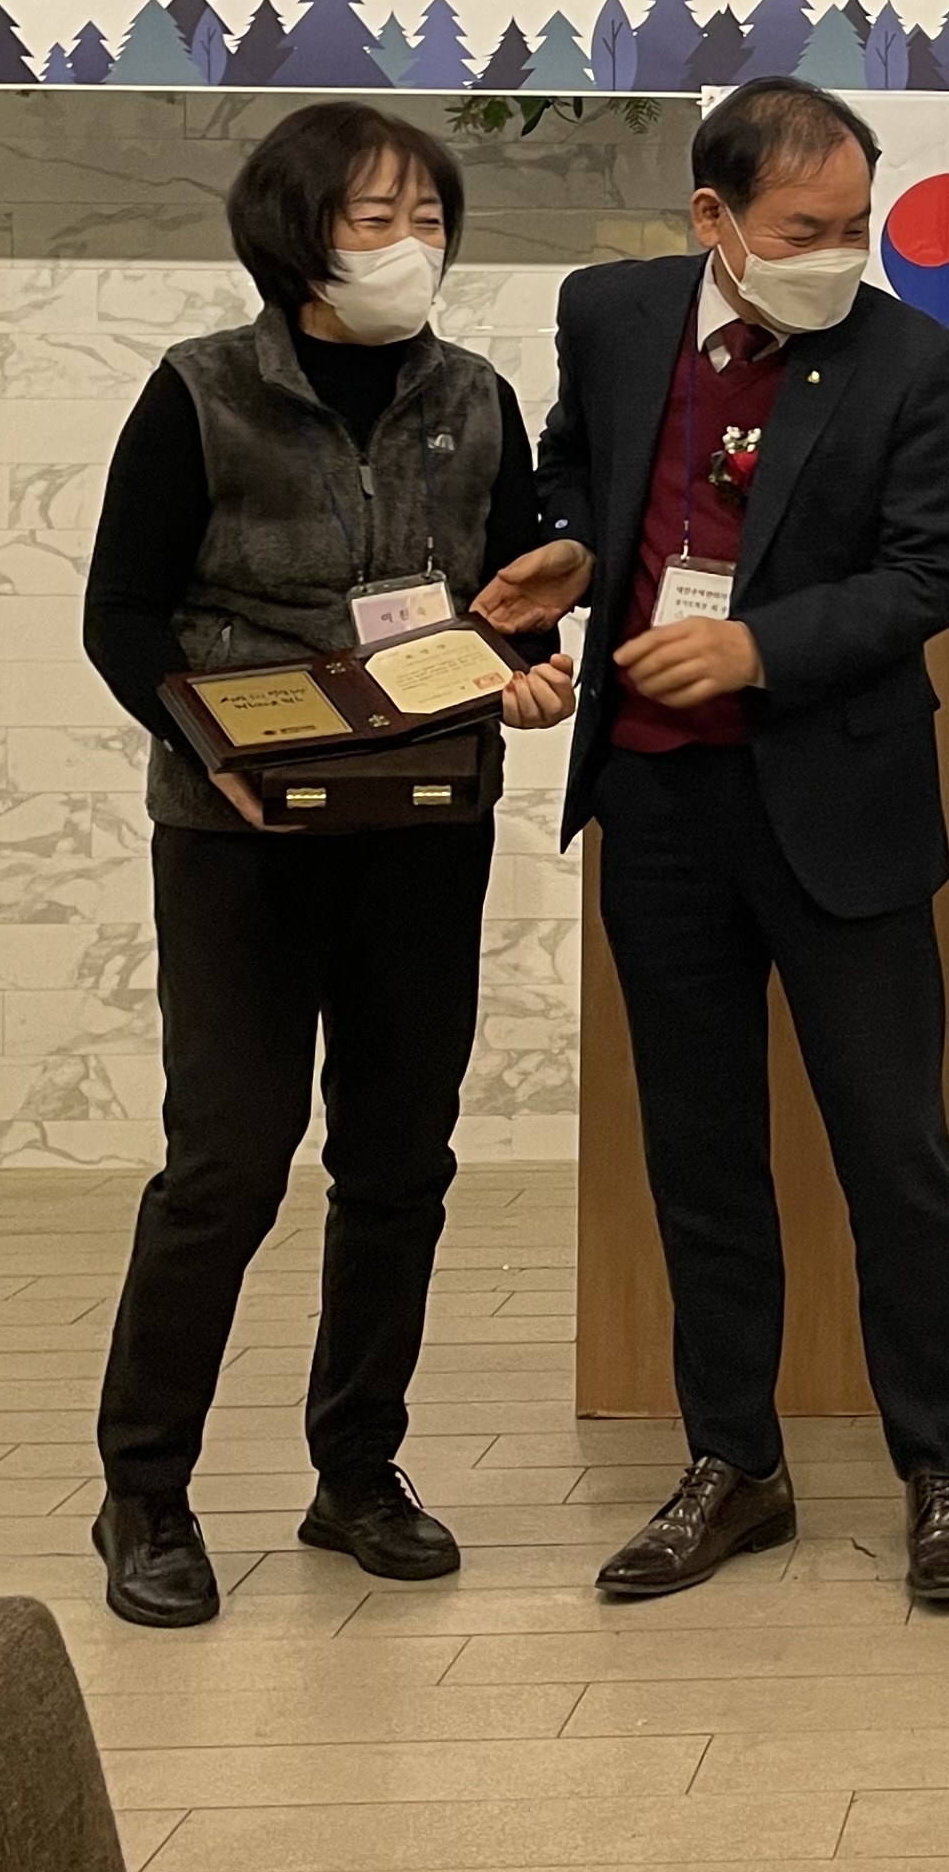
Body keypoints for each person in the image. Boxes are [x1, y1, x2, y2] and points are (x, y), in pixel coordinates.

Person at [81, 102, 588, 1630]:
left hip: (422, 825)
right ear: (295, 234)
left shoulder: (476, 399)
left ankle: (357, 1472)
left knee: (397, 1161)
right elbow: (122, 614)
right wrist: (214, 746)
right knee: (228, 1161)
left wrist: (532, 670)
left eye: (428, 217)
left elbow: (513, 602)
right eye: (376, 219)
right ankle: (145, 1493)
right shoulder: (201, 393)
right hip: (236, 832)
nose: (410, 244)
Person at [534, 77, 949, 1607]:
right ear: (712, 219)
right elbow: (571, 471)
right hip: (659, 804)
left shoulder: (909, 358)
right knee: (701, 1151)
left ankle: (943, 1471)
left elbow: (929, 568)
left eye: (857, 226)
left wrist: (757, 649)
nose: (838, 256)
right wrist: (559, 553)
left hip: (839, 803)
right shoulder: (611, 318)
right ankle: (732, 1463)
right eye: (804, 230)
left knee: (896, 1152)